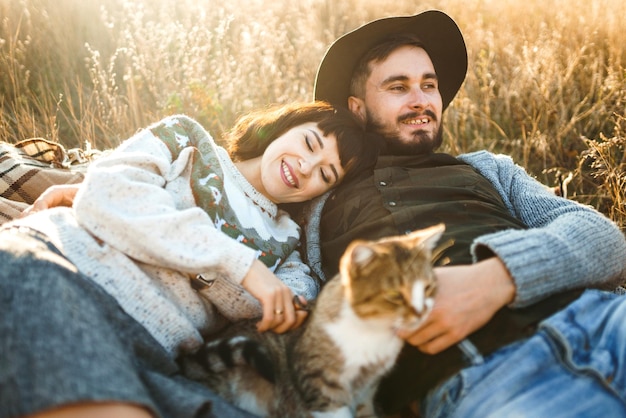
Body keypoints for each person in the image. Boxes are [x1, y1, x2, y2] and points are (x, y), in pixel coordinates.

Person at [301, 10, 626, 417]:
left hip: (603, 320)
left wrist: (497, 278)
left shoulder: (487, 167)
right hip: (485, 380)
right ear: (358, 108)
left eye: (429, 85)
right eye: (398, 87)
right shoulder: (321, 195)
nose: (421, 100)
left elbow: (605, 238)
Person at [0, 101, 377, 418]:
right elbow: (108, 193)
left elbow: (279, 310)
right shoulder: (186, 140)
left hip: (153, 350)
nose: (306, 168)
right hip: (64, 268)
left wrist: (227, 274)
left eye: (326, 174)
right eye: (309, 143)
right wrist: (242, 267)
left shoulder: (289, 252)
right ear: (284, 124)